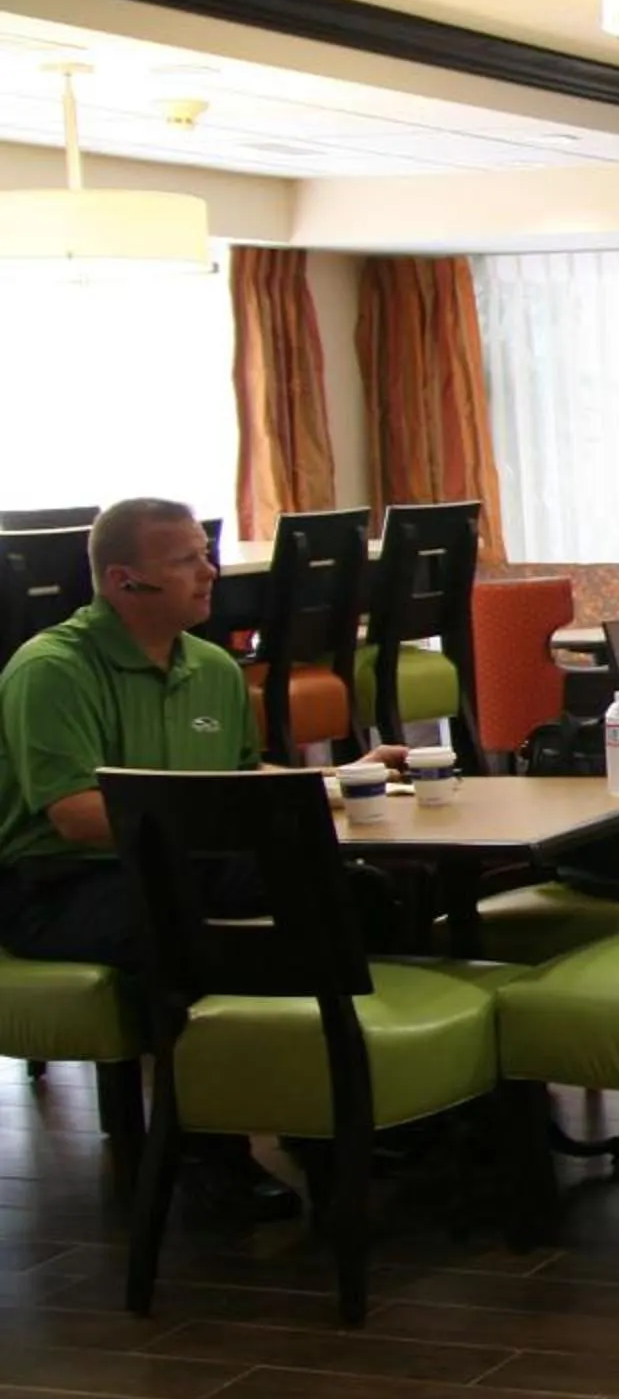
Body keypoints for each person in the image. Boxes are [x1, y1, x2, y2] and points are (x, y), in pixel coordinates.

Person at [0, 498, 376, 1220]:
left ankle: (349, 1116)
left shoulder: (211, 667)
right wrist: (214, 822)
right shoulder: (51, 670)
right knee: (186, 932)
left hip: (184, 860)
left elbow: (240, 784)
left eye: (204, 555)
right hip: (57, 883)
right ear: (122, 580)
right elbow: (74, 816)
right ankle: (206, 1147)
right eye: (185, 562)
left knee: (350, 893)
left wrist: (333, 783)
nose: (209, 574)